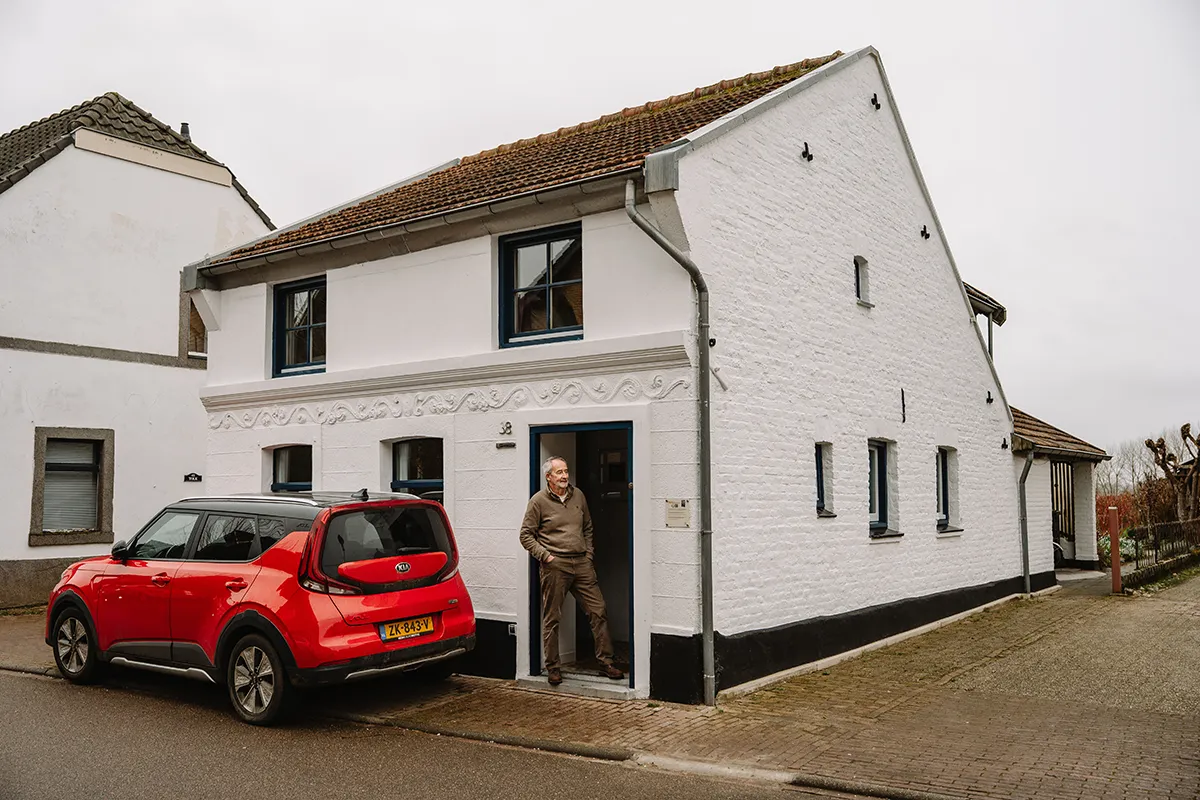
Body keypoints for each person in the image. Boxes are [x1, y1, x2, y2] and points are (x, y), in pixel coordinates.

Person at [519, 456, 624, 686]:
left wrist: (588, 554)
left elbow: (587, 527)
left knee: (598, 610)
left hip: (582, 564)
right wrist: (546, 556)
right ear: (549, 477)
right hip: (555, 566)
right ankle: (553, 667)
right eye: (559, 472)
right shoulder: (538, 501)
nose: (565, 476)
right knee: (553, 617)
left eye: (566, 471)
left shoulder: (578, 496)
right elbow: (526, 535)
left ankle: (606, 662)